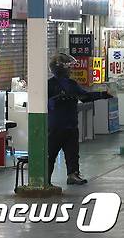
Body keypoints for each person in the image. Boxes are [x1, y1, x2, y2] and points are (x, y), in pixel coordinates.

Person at [48, 53, 112, 185]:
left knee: (72, 153)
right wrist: (56, 99)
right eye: (69, 67)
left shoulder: (71, 84)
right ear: (62, 68)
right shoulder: (50, 85)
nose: (71, 70)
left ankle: (73, 174)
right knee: (50, 154)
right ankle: (45, 178)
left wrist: (102, 94)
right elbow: (43, 103)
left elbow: (85, 96)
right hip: (55, 126)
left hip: (71, 124)